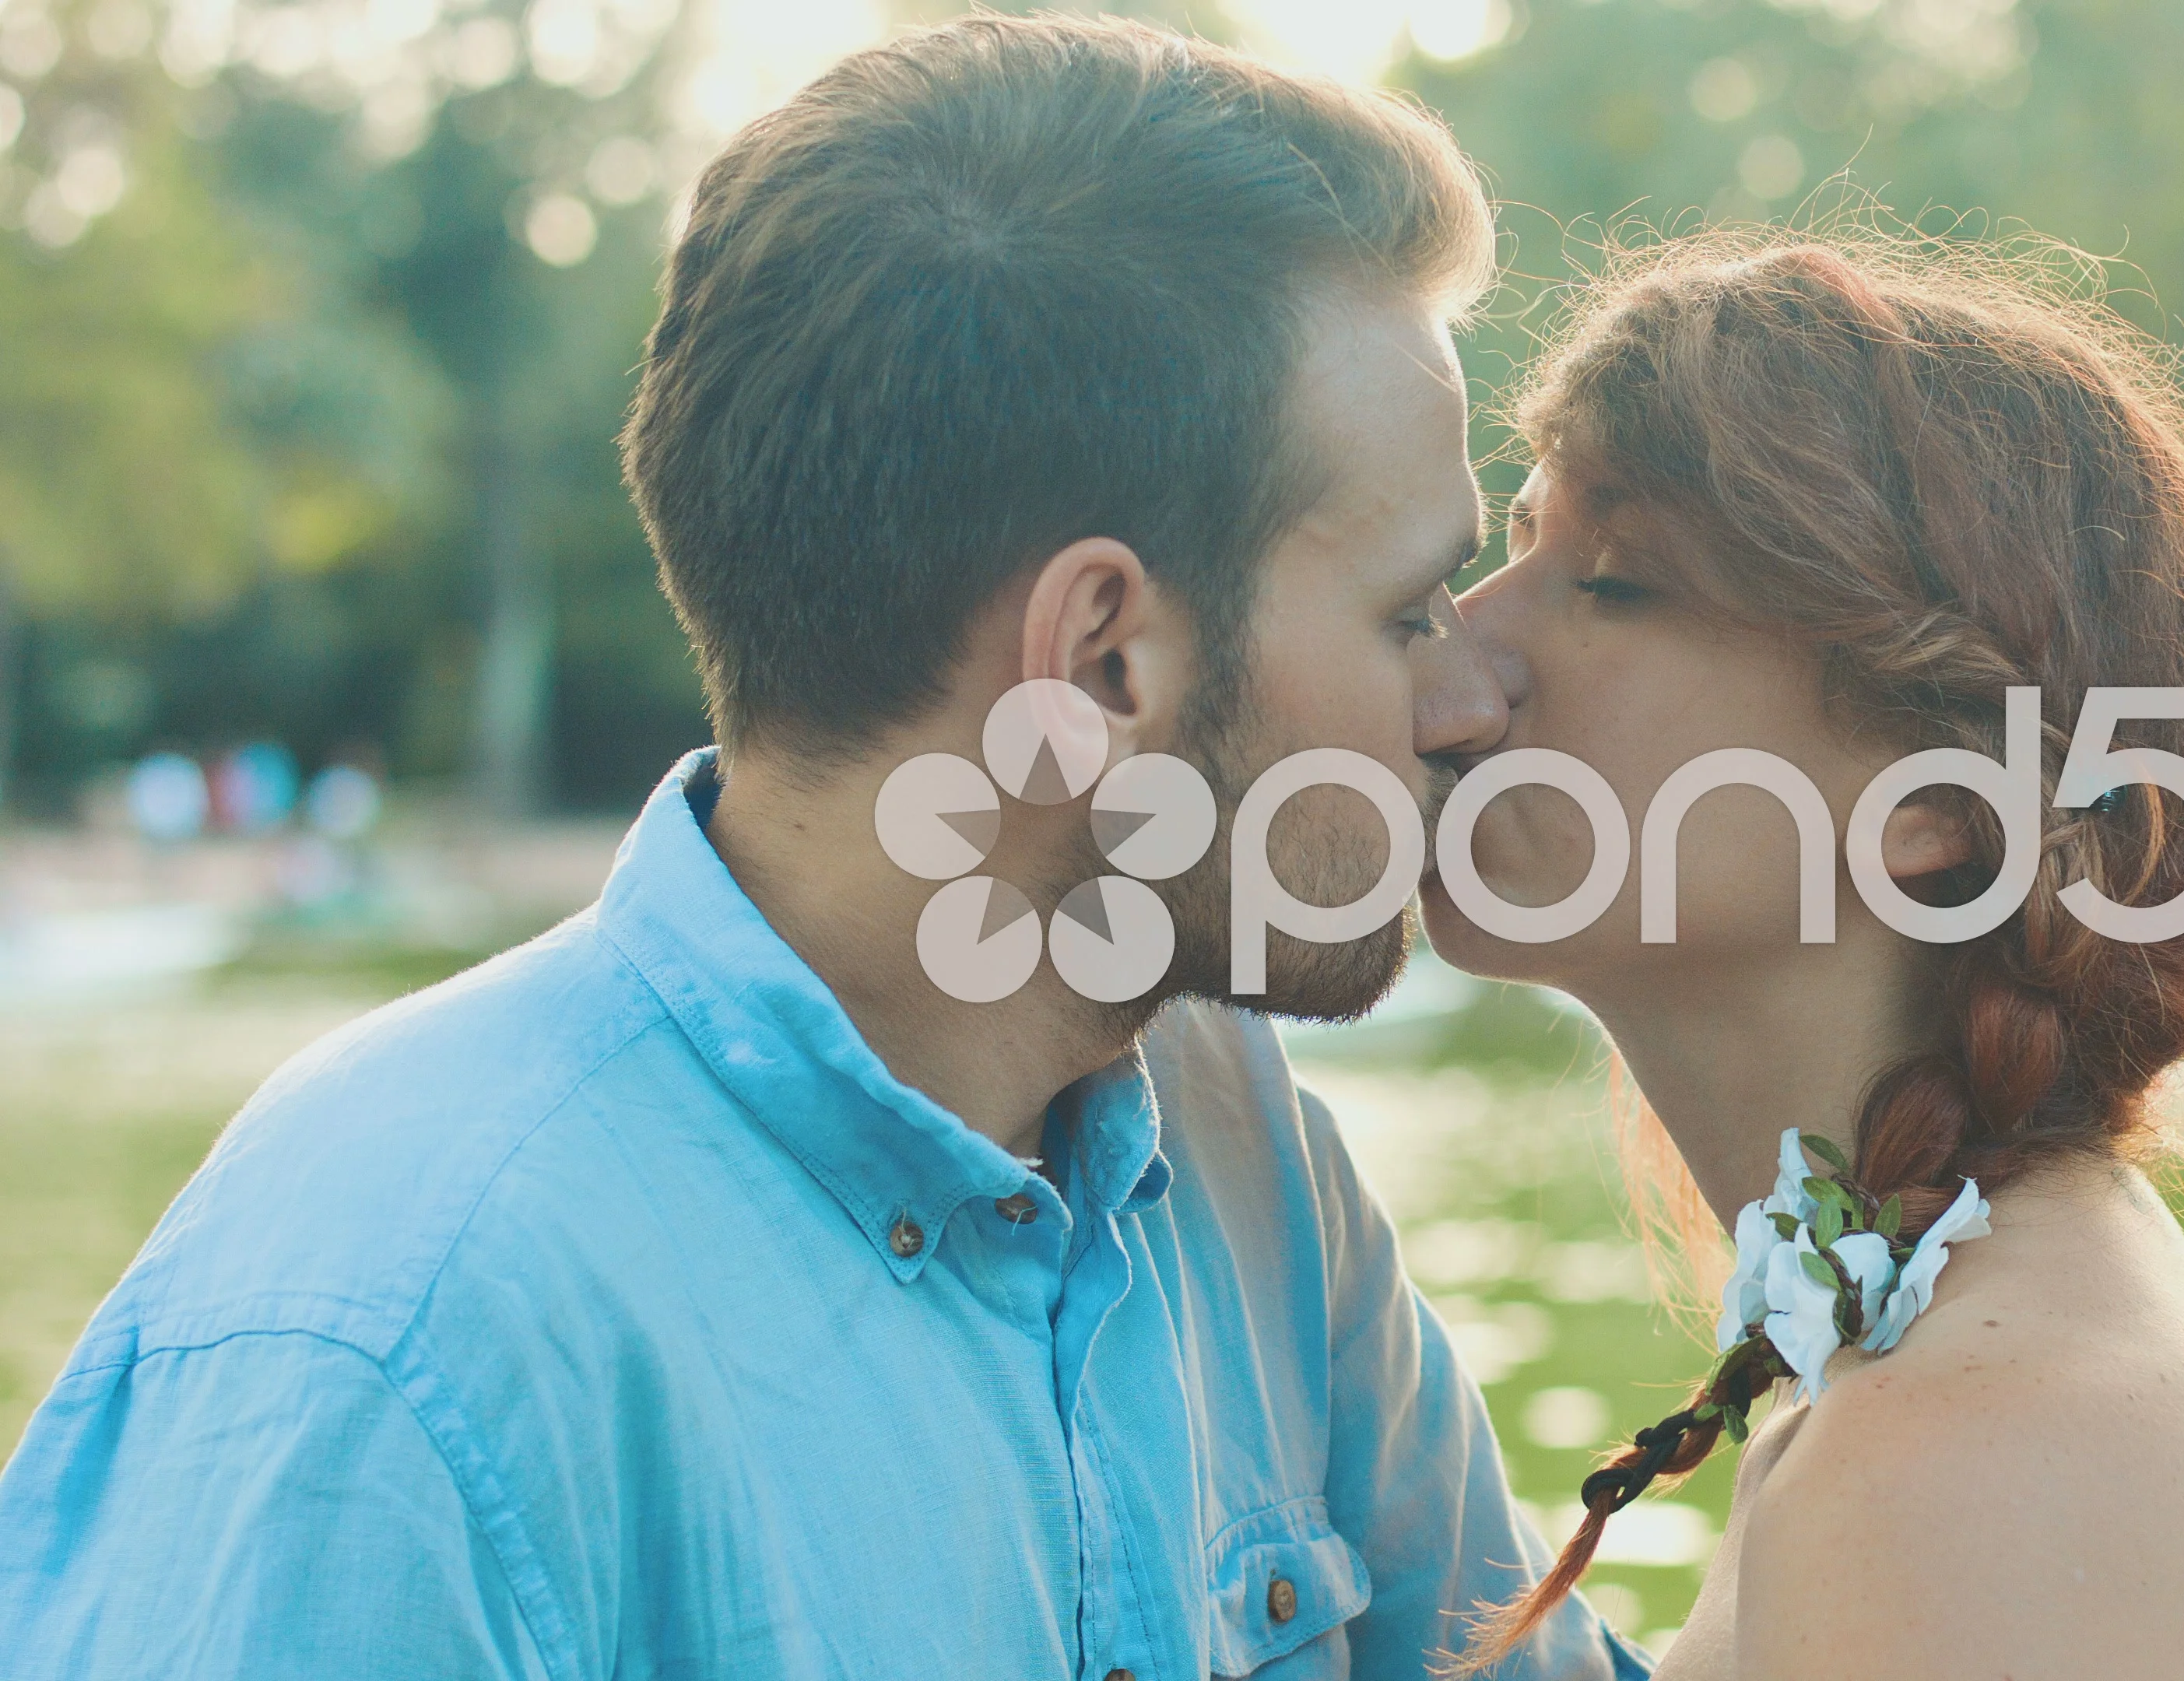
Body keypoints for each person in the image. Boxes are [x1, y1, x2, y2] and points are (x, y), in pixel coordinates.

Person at [0, 18, 1638, 1680]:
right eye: (1409, 607)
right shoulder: (388, 1351)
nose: (1475, 693)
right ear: (1100, 663)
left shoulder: (1229, 1140)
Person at [1423, 230, 2184, 1677]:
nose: (1451, 658)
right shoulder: (1964, 1339)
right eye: (1513, 546)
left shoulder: (1956, 1462)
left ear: (1940, 802)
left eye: (1611, 583)